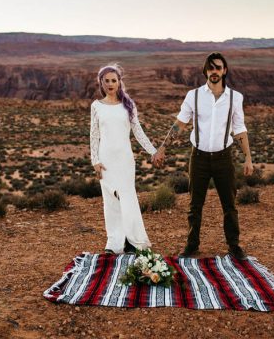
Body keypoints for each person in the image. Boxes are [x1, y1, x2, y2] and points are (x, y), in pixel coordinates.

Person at [154, 52, 253, 260]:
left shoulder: (235, 98)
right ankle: (192, 245)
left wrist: (248, 158)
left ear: (224, 71)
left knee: (229, 204)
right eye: (210, 68)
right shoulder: (194, 96)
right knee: (194, 205)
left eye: (218, 67)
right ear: (205, 71)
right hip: (198, 157)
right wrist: (163, 147)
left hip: (223, 158)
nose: (214, 71)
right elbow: (179, 124)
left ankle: (234, 246)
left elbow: (239, 128)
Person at [90, 63, 160, 254]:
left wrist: (153, 151)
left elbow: (138, 131)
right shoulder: (96, 106)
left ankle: (134, 241)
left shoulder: (128, 106)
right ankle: (115, 243)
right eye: (107, 81)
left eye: (114, 80)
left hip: (125, 159)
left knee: (127, 198)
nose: (111, 84)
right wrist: (94, 160)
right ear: (101, 83)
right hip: (105, 160)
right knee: (110, 201)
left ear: (119, 82)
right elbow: (94, 135)